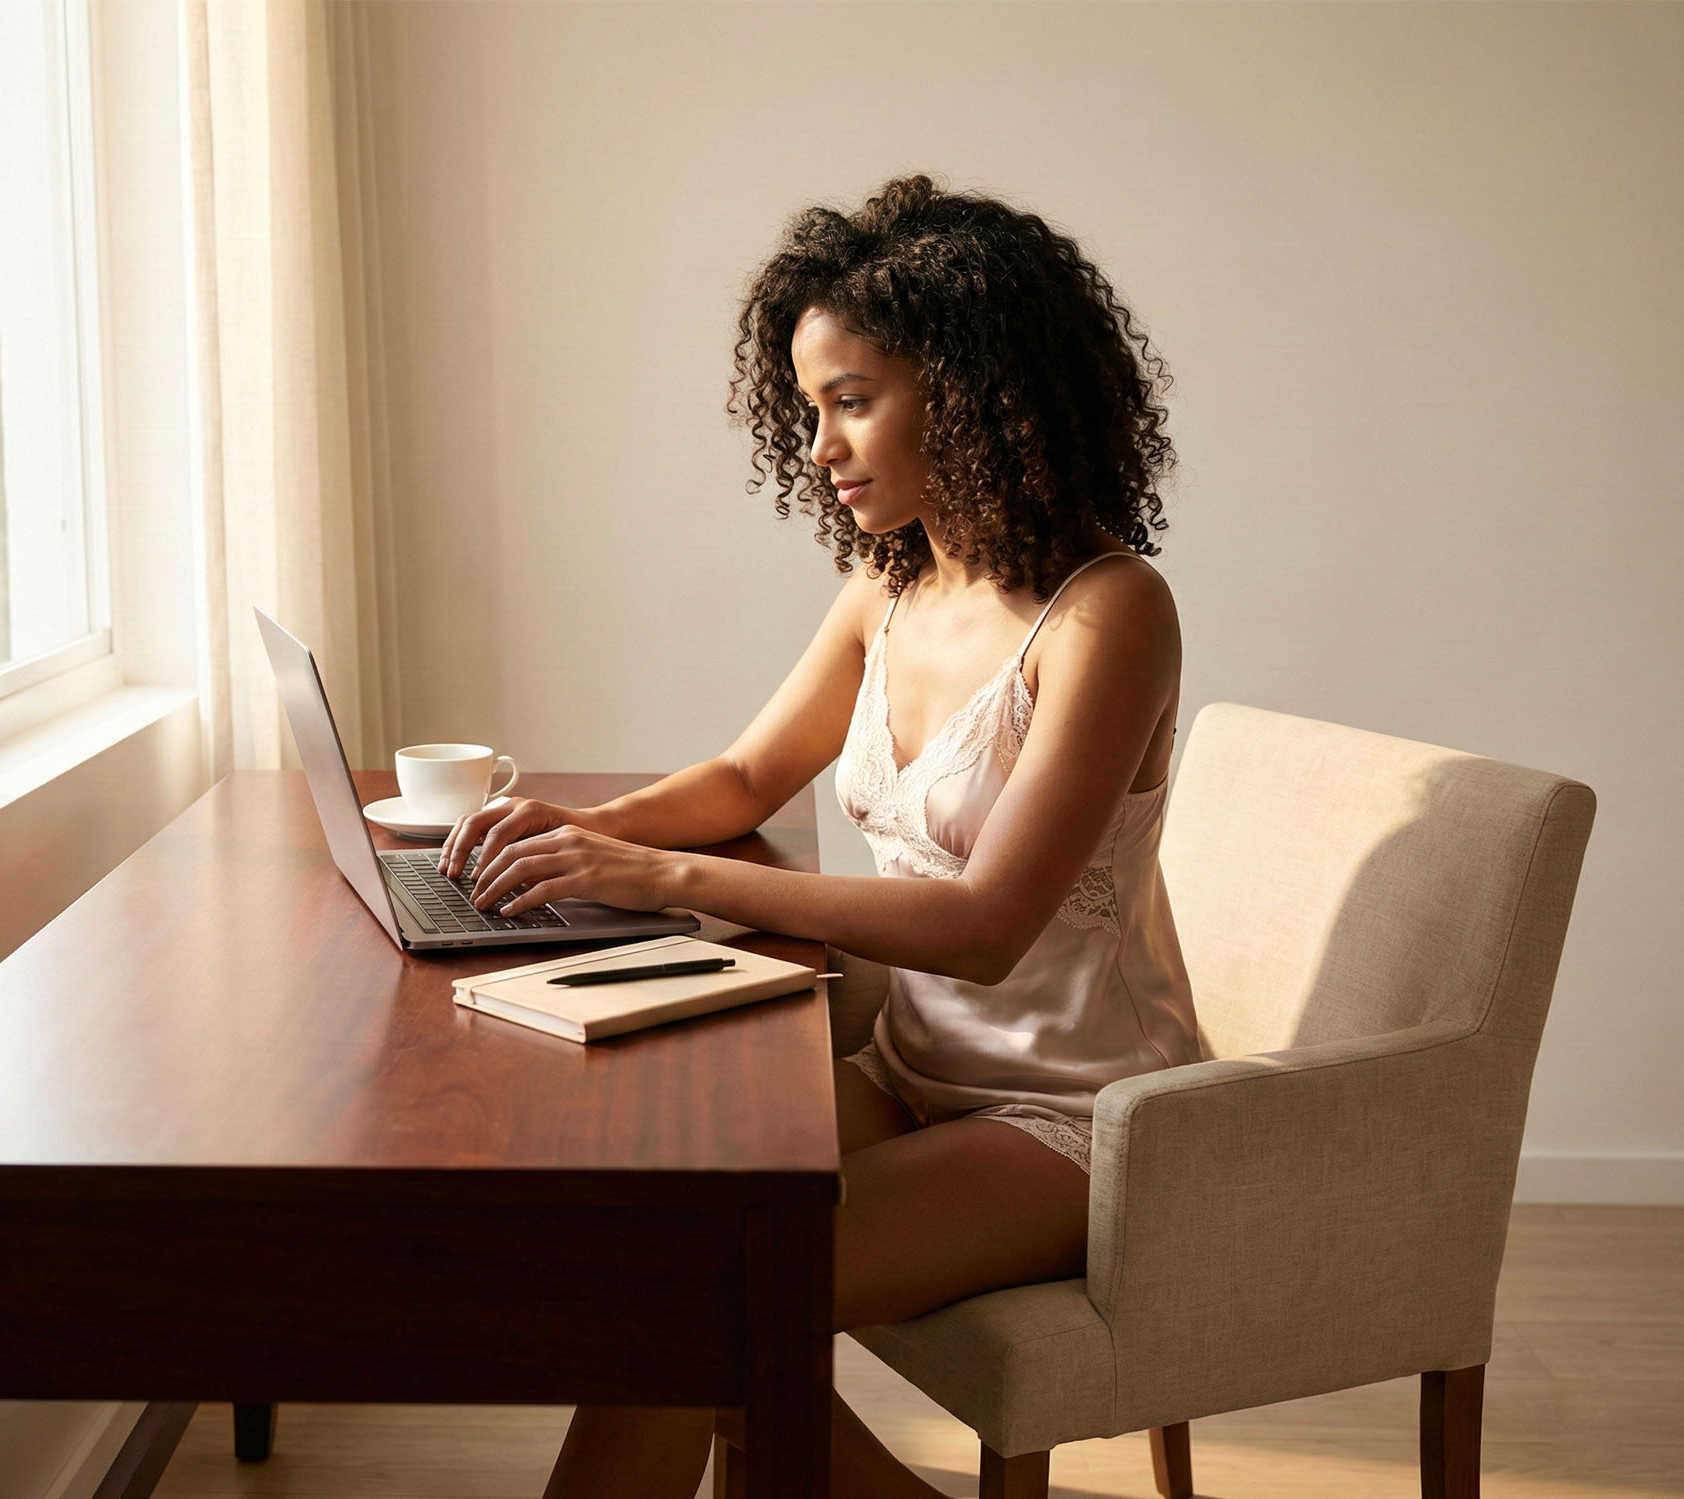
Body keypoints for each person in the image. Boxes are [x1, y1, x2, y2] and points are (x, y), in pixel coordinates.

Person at [439, 174, 1203, 1499]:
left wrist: (649, 871)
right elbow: (746, 773)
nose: (819, 449)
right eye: (809, 408)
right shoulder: (891, 584)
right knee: (665, 1267)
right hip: (915, 1073)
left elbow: (982, 927)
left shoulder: (1108, 614)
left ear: (974, 391)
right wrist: (579, 830)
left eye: (852, 401)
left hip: (1076, 1122)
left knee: (699, 1304)